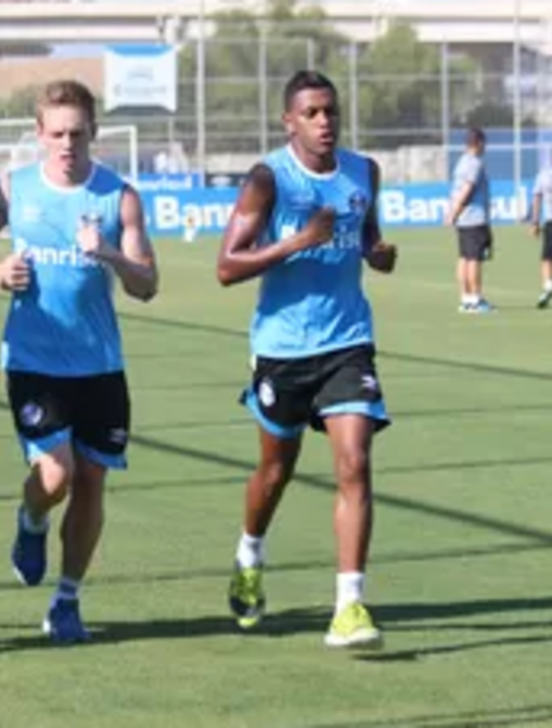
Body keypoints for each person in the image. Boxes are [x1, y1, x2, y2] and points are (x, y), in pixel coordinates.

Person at [0, 79, 158, 644]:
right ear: (40, 136)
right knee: (56, 474)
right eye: (56, 134)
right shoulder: (14, 188)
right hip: (32, 360)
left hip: (100, 365)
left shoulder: (119, 197)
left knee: (92, 482)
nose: (67, 143)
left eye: (77, 133)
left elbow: (147, 286)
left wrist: (111, 253)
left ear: (93, 132)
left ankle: (67, 600)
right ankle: (32, 518)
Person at [216, 70, 397, 650]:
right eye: (312, 113)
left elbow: (367, 236)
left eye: (331, 112)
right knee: (275, 470)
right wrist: (297, 241)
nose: (325, 122)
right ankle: (250, 553)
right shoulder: (268, 180)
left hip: (347, 342)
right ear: (288, 121)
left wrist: (377, 251)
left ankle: (349, 606)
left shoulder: (363, 172)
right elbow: (227, 266)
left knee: (355, 461)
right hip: (282, 350)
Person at [446, 127, 494, 313]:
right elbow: (467, 189)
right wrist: (455, 211)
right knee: (474, 258)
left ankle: (465, 299)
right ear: (479, 143)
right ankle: (475, 299)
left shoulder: (461, 162)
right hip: (474, 217)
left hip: (463, 219)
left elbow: (456, 190)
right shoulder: (475, 163)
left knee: (464, 258)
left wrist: (453, 211)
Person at [529, 143, 552, 308]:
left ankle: (548, 286)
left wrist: (535, 221)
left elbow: (537, 197)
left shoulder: (545, 174)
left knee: (548, 258)